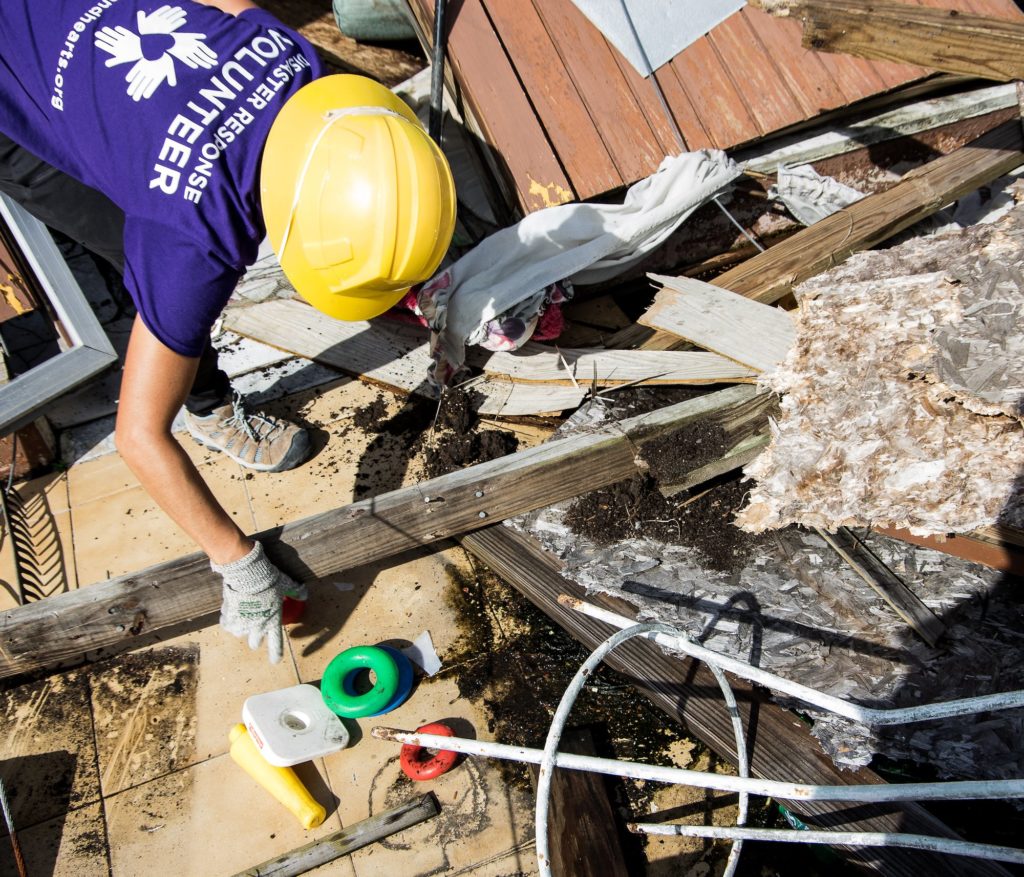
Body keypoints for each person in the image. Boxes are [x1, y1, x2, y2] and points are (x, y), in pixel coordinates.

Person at [0, 0, 455, 662]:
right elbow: (136, 436)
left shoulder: (290, 58)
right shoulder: (191, 240)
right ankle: (207, 405)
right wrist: (236, 560)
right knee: (119, 244)